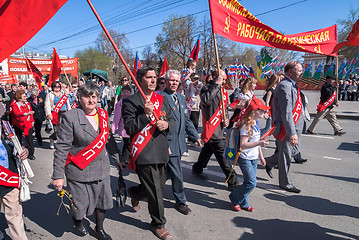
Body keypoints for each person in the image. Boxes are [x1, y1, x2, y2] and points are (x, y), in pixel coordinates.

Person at [52, 82, 122, 240]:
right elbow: (62, 147)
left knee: (102, 203)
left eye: (94, 96)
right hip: (79, 170)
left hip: (101, 169)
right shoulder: (71, 117)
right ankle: (77, 220)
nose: (91, 100)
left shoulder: (103, 114)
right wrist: (58, 175)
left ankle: (99, 228)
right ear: (79, 97)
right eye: (87, 96)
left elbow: (108, 140)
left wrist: (118, 159)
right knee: (80, 206)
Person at [122, 66, 175, 240]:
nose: (153, 81)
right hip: (144, 152)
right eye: (149, 77)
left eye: (155, 77)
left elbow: (173, 120)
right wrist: (145, 115)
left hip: (161, 150)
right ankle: (158, 224)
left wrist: (166, 125)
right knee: (156, 191)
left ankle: (135, 193)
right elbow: (129, 128)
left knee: (157, 186)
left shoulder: (162, 99)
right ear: (140, 80)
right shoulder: (130, 101)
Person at [160, 69, 203, 215]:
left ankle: (140, 192)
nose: (174, 83)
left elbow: (186, 120)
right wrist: (164, 144)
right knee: (177, 173)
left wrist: (195, 136)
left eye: (177, 81)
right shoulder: (160, 98)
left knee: (165, 174)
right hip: (167, 143)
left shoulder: (181, 98)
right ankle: (181, 201)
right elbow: (158, 124)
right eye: (171, 80)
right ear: (165, 81)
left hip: (179, 143)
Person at [192, 70, 240, 190]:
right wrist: (216, 85)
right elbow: (205, 100)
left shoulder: (223, 90)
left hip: (219, 127)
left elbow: (225, 107)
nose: (224, 82)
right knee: (223, 155)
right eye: (222, 79)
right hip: (211, 129)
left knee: (207, 150)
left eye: (224, 80)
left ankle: (197, 168)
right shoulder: (207, 88)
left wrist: (227, 119)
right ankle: (232, 180)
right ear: (214, 78)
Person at [265, 62, 304, 193]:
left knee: (293, 152)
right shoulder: (284, 86)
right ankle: (285, 183)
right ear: (289, 72)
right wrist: (291, 132)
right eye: (298, 70)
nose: (301, 72)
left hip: (295, 126)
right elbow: (286, 112)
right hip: (286, 129)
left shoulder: (293, 85)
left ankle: (269, 162)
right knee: (286, 155)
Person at [229, 98, 269, 212]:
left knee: (248, 182)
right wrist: (259, 143)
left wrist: (261, 156)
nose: (264, 113)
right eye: (261, 110)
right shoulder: (246, 125)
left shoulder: (256, 123)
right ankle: (234, 197)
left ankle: (244, 202)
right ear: (254, 111)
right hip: (245, 158)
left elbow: (258, 143)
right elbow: (243, 145)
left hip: (254, 157)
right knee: (252, 183)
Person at [0, 104, 29, 240]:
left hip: (9, 179)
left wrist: (23, 152)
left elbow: (15, 145)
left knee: (15, 217)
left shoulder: (6, 125)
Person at [44, 81, 71, 149]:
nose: (57, 88)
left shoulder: (63, 93)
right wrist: (48, 114)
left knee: (64, 129)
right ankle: (52, 139)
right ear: (53, 87)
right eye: (55, 86)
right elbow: (47, 105)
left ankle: (61, 143)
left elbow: (67, 103)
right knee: (57, 129)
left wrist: (70, 111)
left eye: (58, 86)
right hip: (55, 113)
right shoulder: (50, 94)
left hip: (64, 112)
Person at [10, 90, 36, 160]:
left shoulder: (27, 104)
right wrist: (26, 114)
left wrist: (32, 121)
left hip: (27, 124)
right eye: (24, 96)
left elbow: (31, 115)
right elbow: (16, 114)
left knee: (29, 139)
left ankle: (31, 153)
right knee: (18, 139)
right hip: (18, 124)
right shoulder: (14, 105)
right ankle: (18, 152)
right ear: (19, 98)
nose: (26, 97)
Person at [111, 85, 132, 164]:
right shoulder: (119, 104)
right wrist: (113, 129)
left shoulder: (133, 102)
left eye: (127, 92)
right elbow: (116, 118)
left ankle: (125, 159)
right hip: (125, 129)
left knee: (129, 145)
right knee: (128, 144)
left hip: (133, 127)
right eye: (124, 92)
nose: (126, 94)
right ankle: (124, 160)